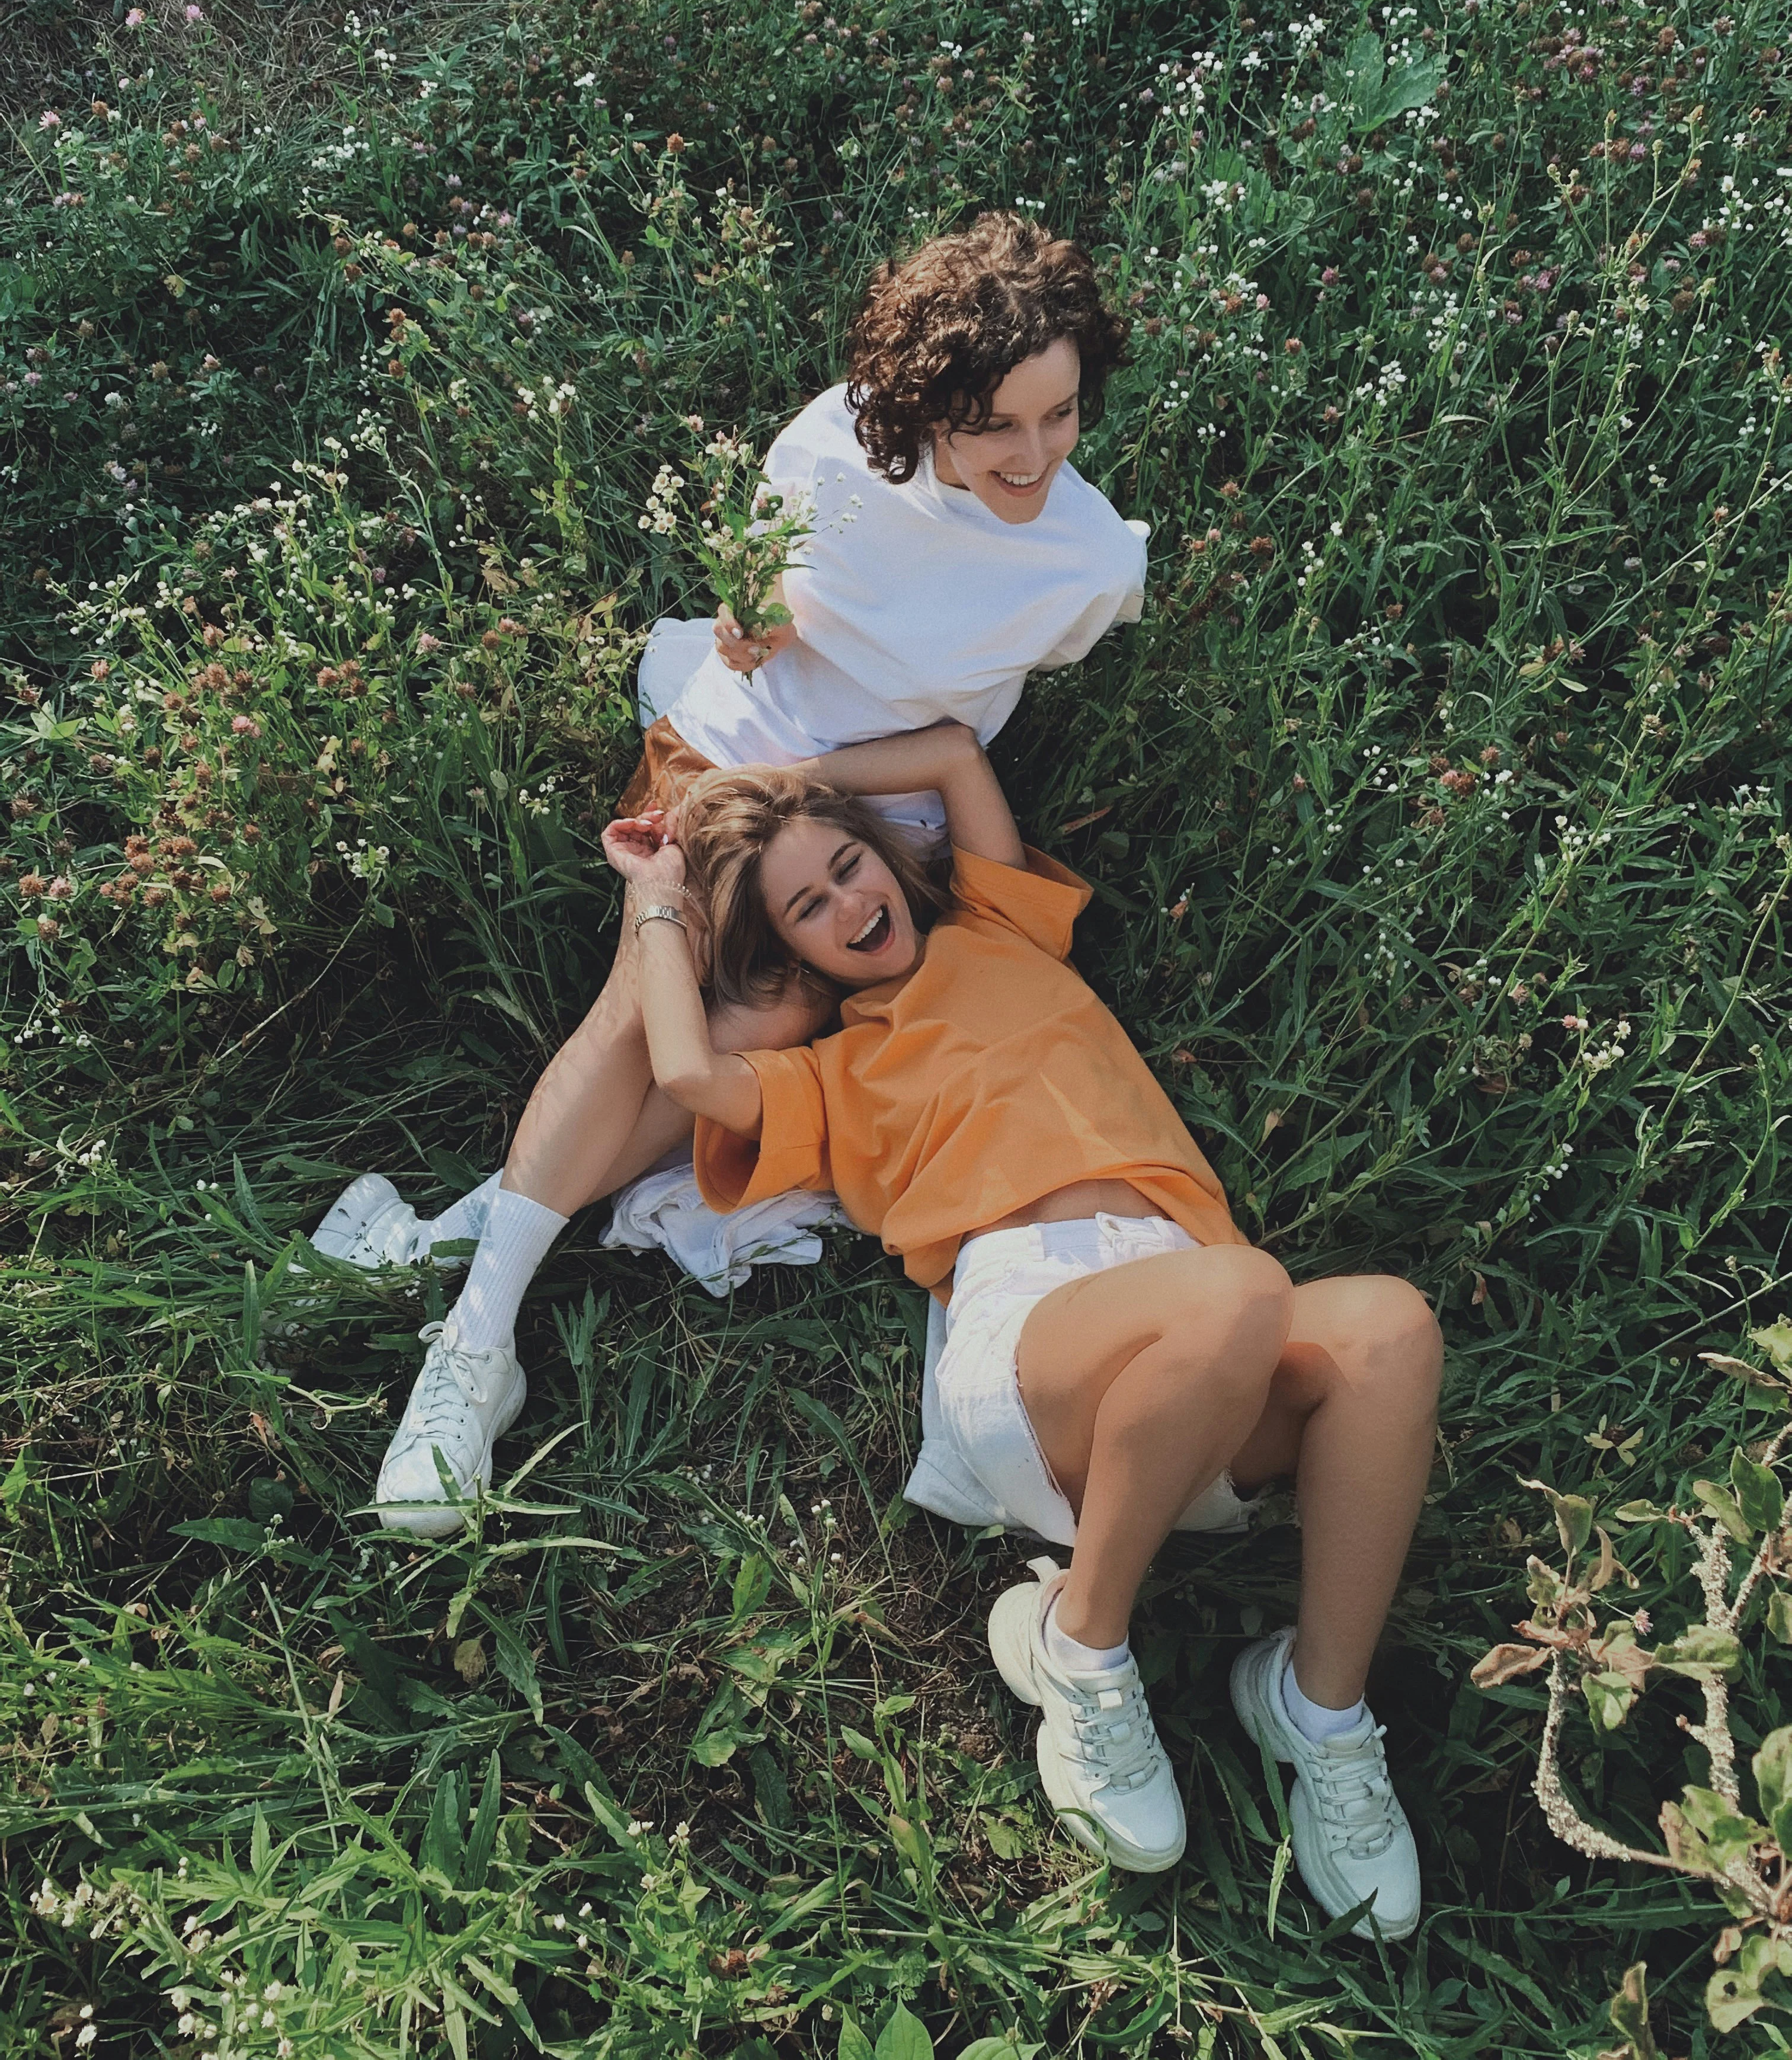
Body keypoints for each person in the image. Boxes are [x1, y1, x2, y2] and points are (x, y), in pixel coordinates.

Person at [313, 213, 1154, 1530]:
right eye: (996, 424)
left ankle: (506, 1209)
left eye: (1060, 416)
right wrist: (742, 631)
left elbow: (963, 709)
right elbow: (755, 616)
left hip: (888, 806)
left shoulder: (1095, 564)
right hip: (737, 758)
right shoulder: (827, 445)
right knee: (666, 981)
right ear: (922, 401)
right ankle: (476, 1344)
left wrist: (847, 788)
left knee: (758, 1023)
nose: (1034, 456)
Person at [598, 722, 1442, 1937]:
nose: (848, 902)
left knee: (1390, 1331)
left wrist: (785, 785)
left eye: (849, 867)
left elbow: (949, 757)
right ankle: (1081, 1644)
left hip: (1199, 1357)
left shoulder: (1000, 926)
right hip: (1034, 1352)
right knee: (1245, 1289)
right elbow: (686, 1075)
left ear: (887, 857)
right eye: (806, 910)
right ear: (789, 955)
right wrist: (665, 895)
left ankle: (1318, 1706)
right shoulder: (834, 1075)